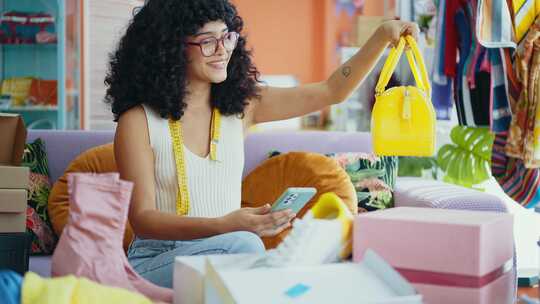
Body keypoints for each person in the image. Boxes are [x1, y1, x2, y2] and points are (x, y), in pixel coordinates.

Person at [105, 0, 419, 288]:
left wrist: (380, 37)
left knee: (268, 256)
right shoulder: (139, 121)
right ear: (170, 49)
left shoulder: (244, 106)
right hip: (156, 261)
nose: (222, 49)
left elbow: (332, 91)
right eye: (206, 41)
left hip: (227, 250)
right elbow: (143, 220)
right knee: (247, 247)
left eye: (226, 36)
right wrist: (225, 225)